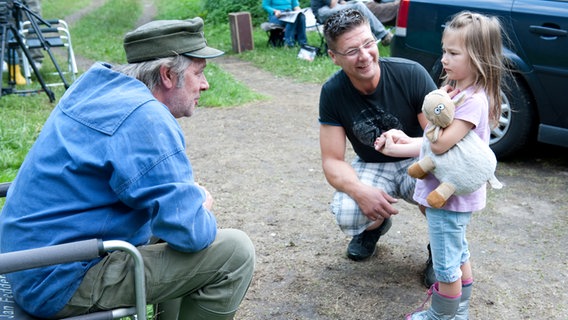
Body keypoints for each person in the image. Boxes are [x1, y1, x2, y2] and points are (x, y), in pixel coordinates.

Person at [0, 17, 255, 320]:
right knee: (235, 253)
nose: (205, 84)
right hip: (58, 279)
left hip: (25, 261)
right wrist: (202, 205)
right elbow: (192, 233)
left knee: (171, 229)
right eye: (198, 73)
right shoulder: (144, 117)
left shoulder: (95, 86)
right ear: (167, 75)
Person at [374, 11, 506, 320]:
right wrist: (404, 141)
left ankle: (443, 314)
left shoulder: (473, 100)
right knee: (458, 250)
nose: (444, 58)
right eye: (444, 50)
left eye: (453, 53)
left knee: (446, 260)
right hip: (446, 192)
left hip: (451, 198)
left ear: (478, 58)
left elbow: (440, 144)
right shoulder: (458, 91)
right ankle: (459, 308)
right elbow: (435, 140)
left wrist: (434, 106)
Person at [318, 8, 436, 288]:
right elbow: (332, 160)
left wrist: (408, 146)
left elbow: (442, 141)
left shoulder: (411, 74)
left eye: (368, 43)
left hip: (418, 159)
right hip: (372, 164)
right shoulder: (332, 93)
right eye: (352, 51)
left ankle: (441, 250)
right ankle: (375, 226)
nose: (365, 55)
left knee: (445, 193)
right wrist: (360, 192)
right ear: (334, 57)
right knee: (348, 211)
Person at [311, 0, 392, 46]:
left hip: (331, 7)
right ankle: (383, 35)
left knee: (359, 4)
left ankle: (371, 37)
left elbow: (341, 2)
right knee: (358, 6)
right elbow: (332, 4)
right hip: (322, 12)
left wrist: (347, 3)